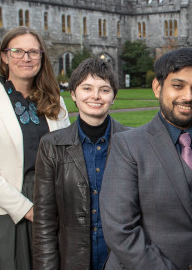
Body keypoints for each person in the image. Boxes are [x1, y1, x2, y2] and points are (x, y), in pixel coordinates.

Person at [101, 47, 192, 269]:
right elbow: (121, 230)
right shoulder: (128, 145)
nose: (187, 97)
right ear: (157, 87)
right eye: (177, 86)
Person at [0, 26, 70, 270]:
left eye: (33, 52)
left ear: (41, 57)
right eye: (18, 51)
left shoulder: (56, 101)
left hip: (53, 203)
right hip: (6, 209)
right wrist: (29, 210)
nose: (26, 58)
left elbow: (67, 157)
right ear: (4, 57)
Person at [33, 58, 130, 270]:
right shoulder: (52, 146)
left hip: (121, 261)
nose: (95, 96)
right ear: (74, 95)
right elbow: (44, 221)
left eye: (104, 90)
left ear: (113, 97)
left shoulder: (133, 142)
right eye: (87, 88)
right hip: (72, 260)